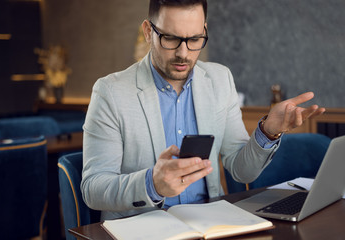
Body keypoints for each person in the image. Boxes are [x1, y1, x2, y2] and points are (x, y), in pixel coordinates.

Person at [81, 0, 325, 220]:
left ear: (204, 31)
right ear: (148, 32)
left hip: (209, 224)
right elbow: (93, 188)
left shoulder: (220, 79)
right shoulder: (110, 92)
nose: (183, 53)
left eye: (194, 39)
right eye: (170, 38)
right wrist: (152, 184)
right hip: (141, 228)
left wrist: (268, 132)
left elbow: (242, 171)